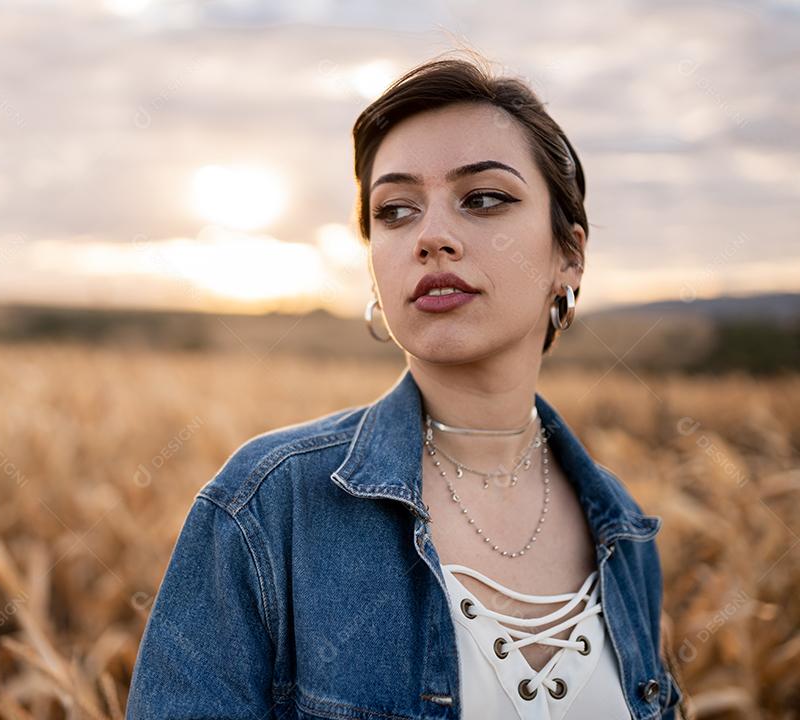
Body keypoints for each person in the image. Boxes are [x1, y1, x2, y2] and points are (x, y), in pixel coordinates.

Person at [125, 52, 686, 720]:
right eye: (395, 211)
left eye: (483, 199)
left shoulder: (625, 533)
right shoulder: (268, 507)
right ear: (373, 269)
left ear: (569, 255)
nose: (432, 236)